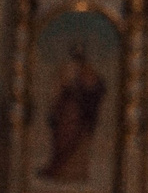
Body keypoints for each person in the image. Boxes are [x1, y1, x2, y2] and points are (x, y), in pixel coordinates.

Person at [39, 43, 106, 181]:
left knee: (77, 140)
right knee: (63, 138)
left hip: (78, 112)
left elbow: (96, 87)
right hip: (67, 109)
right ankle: (61, 171)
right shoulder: (67, 68)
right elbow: (58, 88)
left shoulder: (88, 70)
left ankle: (75, 173)